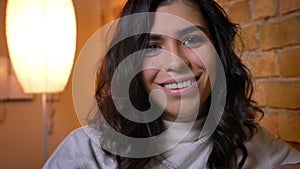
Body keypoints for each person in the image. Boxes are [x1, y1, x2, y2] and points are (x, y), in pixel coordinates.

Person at [43, 0, 300, 168]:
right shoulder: (86, 152)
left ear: (218, 53)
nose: (175, 62)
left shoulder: (251, 142)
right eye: (153, 46)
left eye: (191, 40)